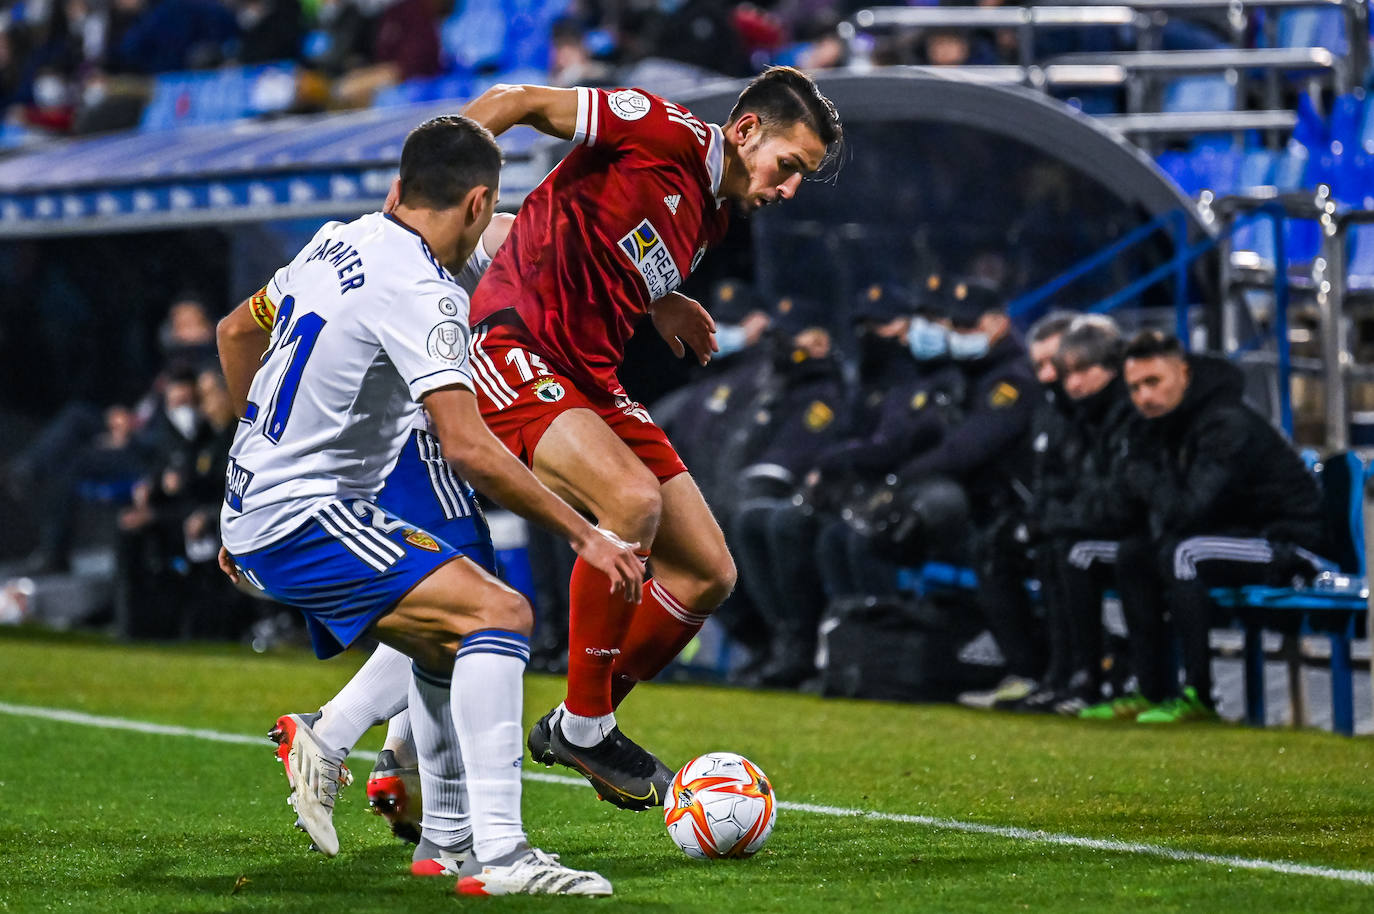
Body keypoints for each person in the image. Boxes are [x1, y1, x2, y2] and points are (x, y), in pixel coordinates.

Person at [217, 115, 643, 897]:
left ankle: (458, 844)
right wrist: (588, 535)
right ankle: (504, 855)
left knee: (452, 641)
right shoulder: (424, 292)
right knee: (502, 613)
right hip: (299, 517)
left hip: (268, 509)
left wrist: (251, 471)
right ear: (479, 203)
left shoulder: (332, 243)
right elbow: (469, 447)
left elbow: (234, 332)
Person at [459, 66, 842, 807]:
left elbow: (615, 237)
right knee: (632, 503)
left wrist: (663, 297)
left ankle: (579, 718)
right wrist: (434, 197)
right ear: (747, 130)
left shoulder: (711, 215)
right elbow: (520, 101)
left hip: (591, 380)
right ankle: (587, 726)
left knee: (706, 574)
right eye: (788, 166)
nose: (788, 187)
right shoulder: (660, 129)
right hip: (516, 347)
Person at [1102, 331, 1330, 723]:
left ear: (1184, 373)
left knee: (1184, 554)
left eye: (1153, 382)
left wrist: (1140, 474)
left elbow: (1189, 510)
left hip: (1286, 541)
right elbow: (1131, 511)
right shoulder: (1158, 425)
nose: (1143, 397)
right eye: (1135, 387)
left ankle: (1200, 696)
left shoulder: (1226, 423)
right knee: (1133, 554)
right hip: (1232, 535)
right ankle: (1151, 690)